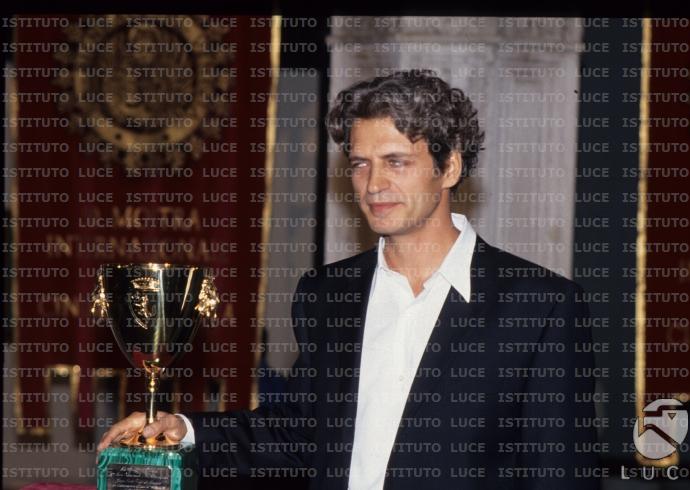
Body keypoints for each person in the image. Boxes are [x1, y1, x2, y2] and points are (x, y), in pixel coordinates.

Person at [98, 69, 600, 490]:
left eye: (396, 162)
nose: (374, 184)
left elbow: (560, 476)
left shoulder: (539, 307)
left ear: (449, 166)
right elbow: (298, 433)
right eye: (360, 164)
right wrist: (182, 429)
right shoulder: (327, 295)